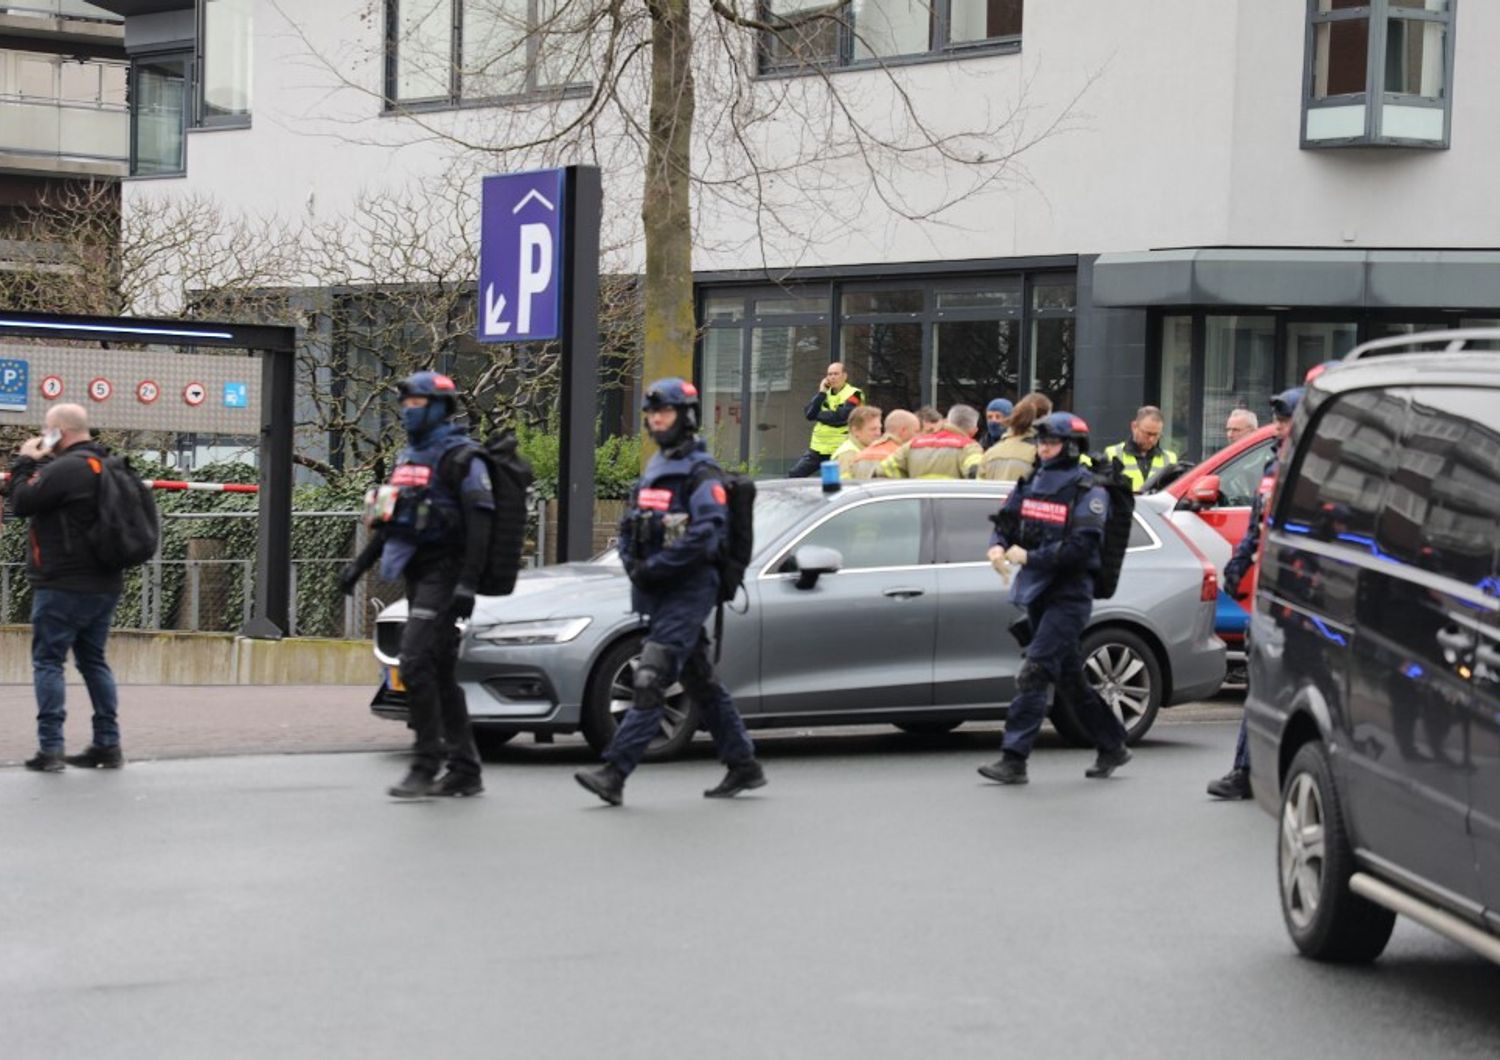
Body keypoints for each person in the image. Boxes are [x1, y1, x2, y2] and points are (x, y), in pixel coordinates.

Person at [575, 378, 766, 806]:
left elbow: (706, 535)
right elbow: (630, 528)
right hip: (658, 590)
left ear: (687, 417)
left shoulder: (701, 473)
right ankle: (743, 764)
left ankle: (614, 772)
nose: (656, 420)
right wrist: (633, 564)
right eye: (651, 414)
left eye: (665, 413)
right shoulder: (656, 469)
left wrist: (656, 568)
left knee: (651, 678)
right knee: (699, 679)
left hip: (689, 589)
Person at [339, 371, 491, 799]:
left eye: (417, 403)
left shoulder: (462, 457)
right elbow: (389, 522)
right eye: (404, 403)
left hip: (445, 573)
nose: (408, 411)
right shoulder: (406, 460)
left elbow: (481, 524)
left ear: (441, 407)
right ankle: (466, 770)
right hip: (416, 573)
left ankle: (426, 763)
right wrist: (358, 566)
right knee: (440, 673)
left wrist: (467, 584)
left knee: (414, 662)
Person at [977, 411, 1131, 785]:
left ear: (1073, 445)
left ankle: (1014, 759)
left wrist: (1031, 557)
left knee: (1034, 671)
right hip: (1036, 591)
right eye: (1041, 442)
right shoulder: (1033, 479)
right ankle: (1113, 744)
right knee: (1070, 680)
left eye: (1051, 442)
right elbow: (1008, 521)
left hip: (1069, 595)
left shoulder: (1088, 488)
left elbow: (1081, 547)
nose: (1043, 448)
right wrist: (997, 547)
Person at [3, 403, 126, 772]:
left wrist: (26, 461)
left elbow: (22, 501)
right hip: (105, 583)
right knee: (94, 662)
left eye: (47, 429)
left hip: (62, 584)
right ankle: (108, 744)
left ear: (59, 431)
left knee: (48, 662)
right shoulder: (108, 466)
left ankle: (51, 749)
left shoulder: (67, 468)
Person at [1207, 386, 1303, 801]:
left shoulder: (1315, 468)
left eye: (1285, 421)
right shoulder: (1272, 466)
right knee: (1263, 678)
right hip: (1271, 592)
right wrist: (1239, 563)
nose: (1278, 429)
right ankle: (1246, 770)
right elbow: (1257, 527)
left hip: (1302, 596)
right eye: (1278, 422)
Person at [787, 362, 864, 478]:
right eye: (830, 374)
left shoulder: (855, 394)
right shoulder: (824, 394)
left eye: (836, 374)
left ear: (844, 376)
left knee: (837, 483)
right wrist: (822, 392)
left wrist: (817, 415)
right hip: (817, 448)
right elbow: (809, 414)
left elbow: (841, 417)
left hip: (840, 449)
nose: (832, 377)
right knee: (793, 476)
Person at [877, 404, 983, 479]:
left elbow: (883, 471)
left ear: (947, 421)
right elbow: (977, 474)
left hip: (918, 506)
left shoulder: (913, 445)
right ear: (973, 431)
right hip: (953, 506)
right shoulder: (969, 448)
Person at [977, 393, 1052, 482]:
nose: (994, 421)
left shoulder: (990, 453)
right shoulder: (1040, 452)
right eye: (989, 417)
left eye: (998, 416)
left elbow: (979, 486)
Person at [1104, 405, 1178, 492]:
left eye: (1156, 435)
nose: (1152, 439)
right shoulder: (1113, 453)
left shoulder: (1170, 458)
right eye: (1148, 434)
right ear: (1134, 427)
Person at [847, 409, 919, 479]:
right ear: (903, 431)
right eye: (916, 431)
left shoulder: (861, 454)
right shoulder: (900, 455)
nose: (918, 436)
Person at [831, 405, 883, 479]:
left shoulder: (867, 449)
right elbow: (845, 486)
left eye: (879, 428)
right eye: (873, 429)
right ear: (855, 431)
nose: (878, 433)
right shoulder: (847, 455)